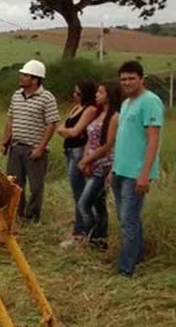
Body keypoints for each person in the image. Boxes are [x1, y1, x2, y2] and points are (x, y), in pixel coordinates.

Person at [112, 61, 164, 277]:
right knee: (128, 219)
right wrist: (112, 169)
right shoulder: (126, 104)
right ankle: (138, 256)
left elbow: (153, 140)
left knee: (128, 220)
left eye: (132, 78)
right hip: (120, 170)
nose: (127, 82)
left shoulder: (150, 102)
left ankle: (126, 269)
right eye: (123, 79)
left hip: (136, 173)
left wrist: (145, 174)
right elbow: (123, 139)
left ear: (142, 79)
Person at [61, 82, 121, 249]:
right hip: (91, 163)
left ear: (109, 95)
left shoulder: (114, 117)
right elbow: (89, 139)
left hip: (103, 166)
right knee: (98, 204)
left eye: (100, 92)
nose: (96, 95)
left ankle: (87, 234)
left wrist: (86, 160)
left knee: (84, 203)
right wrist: (86, 157)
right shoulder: (98, 114)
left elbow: (107, 145)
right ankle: (99, 241)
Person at [0, 59, 59, 222]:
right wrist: (5, 141)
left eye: (25, 76)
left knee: (36, 186)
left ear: (35, 79)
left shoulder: (47, 98)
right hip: (16, 147)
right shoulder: (16, 95)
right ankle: (16, 214)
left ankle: (32, 216)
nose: (21, 78)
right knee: (14, 184)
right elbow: (11, 119)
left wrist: (40, 148)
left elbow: (51, 124)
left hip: (34, 149)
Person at [56, 80, 97, 238]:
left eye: (78, 93)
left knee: (80, 192)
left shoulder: (90, 109)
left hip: (79, 150)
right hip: (69, 150)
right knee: (76, 191)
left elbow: (75, 132)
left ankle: (81, 231)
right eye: (74, 92)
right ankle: (81, 227)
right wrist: (67, 130)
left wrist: (66, 131)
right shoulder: (76, 108)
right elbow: (62, 127)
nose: (75, 95)